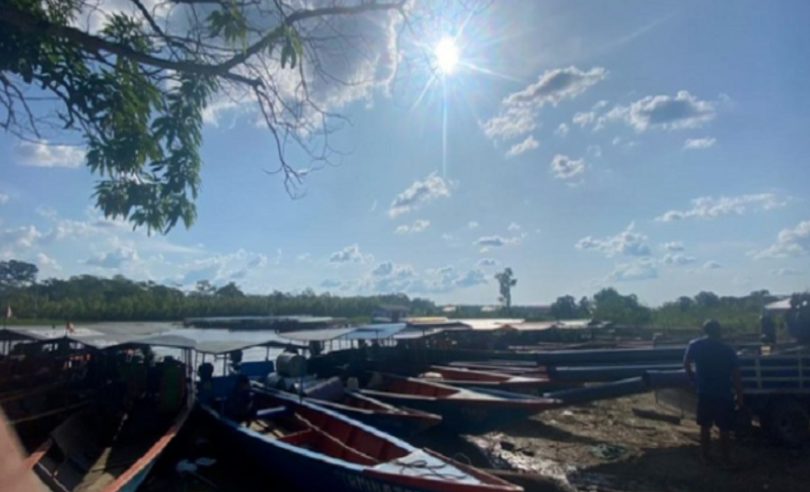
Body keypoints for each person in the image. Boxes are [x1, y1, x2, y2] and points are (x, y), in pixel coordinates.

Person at [683, 319, 744, 468]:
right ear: (719, 331)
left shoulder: (695, 345)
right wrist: (739, 396)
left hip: (704, 392)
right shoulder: (728, 350)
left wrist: (693, 379)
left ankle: (706, 456)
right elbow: (736, 375)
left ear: (705, 330)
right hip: (724, 394)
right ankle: (726, 460)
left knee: (705, 426)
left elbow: (686, 363)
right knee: (724, 428)